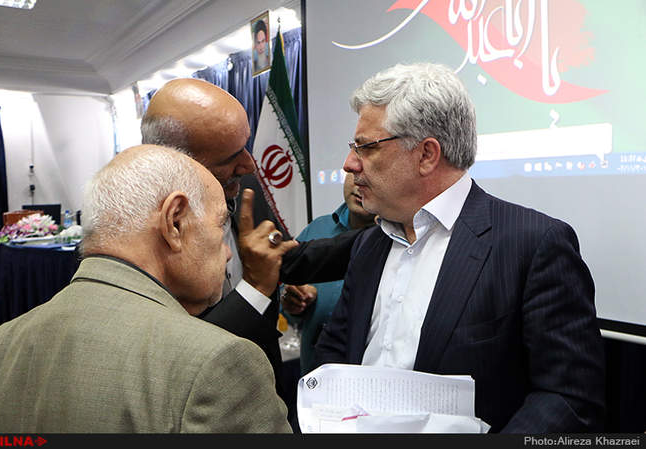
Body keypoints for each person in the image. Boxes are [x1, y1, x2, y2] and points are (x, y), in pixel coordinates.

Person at [314, 62, 605, 433]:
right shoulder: (370, 245)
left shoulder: (532, 245)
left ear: (426, 155)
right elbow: (335, 355)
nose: (349, 163)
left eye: (366, 147)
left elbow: (568, 397)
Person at [0, 145, 291, 433]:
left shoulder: (3, 341)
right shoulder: (217, 364)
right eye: (220, 225)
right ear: (175, 222)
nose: (227, 253)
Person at [140, 78, 357, 405]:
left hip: (267, 387)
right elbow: (176, 354)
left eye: (246, 145)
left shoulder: (244, 187)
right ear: (177, 162)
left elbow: (283, 259)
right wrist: (254, 287)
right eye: (230, 157)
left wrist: (381, 236)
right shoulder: (138, 234)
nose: (249, 164)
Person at [282, 173, 375, 376]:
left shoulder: (394, 241)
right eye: (354, 174)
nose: (358, 185)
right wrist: (293, 301)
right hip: (313, 376)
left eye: (369, 176)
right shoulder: (318, 228)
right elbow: (285, 298)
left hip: (366, 378)